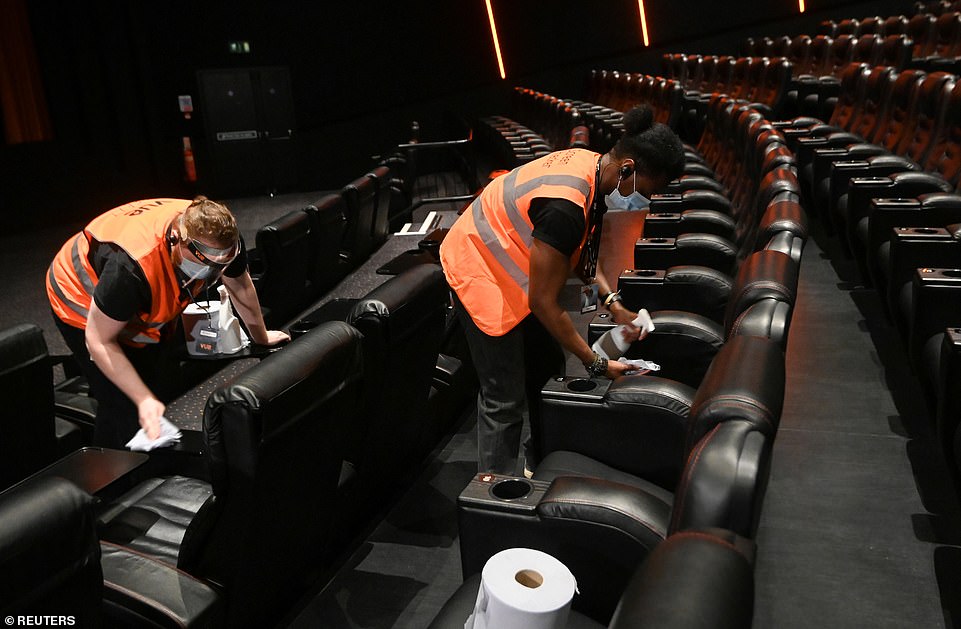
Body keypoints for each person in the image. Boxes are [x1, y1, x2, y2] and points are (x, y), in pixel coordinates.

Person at [439, 105, 685, 475]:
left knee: (546, 366)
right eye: (646, 192)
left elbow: (579, 253)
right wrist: (596, 362)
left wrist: (612, 303)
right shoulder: (565, 204)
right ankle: (494, 497)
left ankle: (539, 459)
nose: (643, 202)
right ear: (629, 168)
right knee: (503, 397)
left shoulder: (592, 167)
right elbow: (543, 301)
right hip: (478, 268)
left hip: (511, 262)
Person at [47, 196, 290, 448]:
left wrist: (260, 335)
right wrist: (142, 399)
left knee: (153, 379)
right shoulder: (128, 269)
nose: (214, 274)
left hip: (134, 291)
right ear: (176, 239)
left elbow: (238, 282)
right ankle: (108, 475)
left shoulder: (223, 238)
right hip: (78, 292)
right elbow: (99, 341)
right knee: (122, 403)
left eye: (221, 265)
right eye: (207, 264)